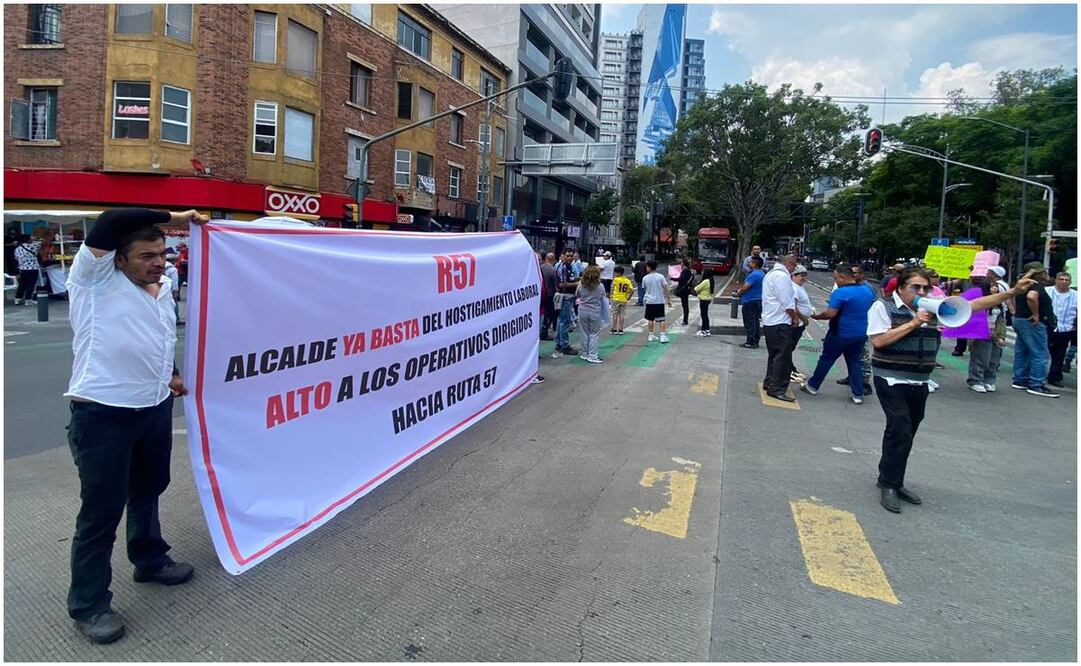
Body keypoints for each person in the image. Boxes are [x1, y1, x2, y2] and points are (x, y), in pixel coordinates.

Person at [63, 207, 207, 644]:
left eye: (162, 253)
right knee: (101, 512)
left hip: (154, 407)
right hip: (103, 413)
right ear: (118, 260)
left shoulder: (161, 289)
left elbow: (158, 339)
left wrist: (173, 374)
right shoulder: (92, 281)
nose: (158, 262)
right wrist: (176, 214)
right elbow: (109, 222)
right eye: (146, 255)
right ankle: (89, 605)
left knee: (148, 489)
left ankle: (149, 559)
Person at [868, 267, 1033, 512]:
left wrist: (1013, 293)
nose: (922, 292)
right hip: (890, 378)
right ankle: (889, 485)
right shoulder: (883, 307)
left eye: (925, 287)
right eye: (915, 287)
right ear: (900, 288)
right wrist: (914, 323)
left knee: (907, 432)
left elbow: (975, 304)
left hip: (919, 380)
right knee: (900, 428)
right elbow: (879, 340)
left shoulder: (933, 308)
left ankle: (893, 479)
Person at [801, 265, 875, 404]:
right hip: (860, 333)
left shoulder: (840, 293)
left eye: (836, 279)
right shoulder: (867, 291)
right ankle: (857, 394)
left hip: (840, 333)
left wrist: (816, 316)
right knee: (855, 362)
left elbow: (830, 313)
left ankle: (813, 386)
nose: (835, 282)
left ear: (843, 277)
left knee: (826, 359)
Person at [1011, 262, 1058, 397]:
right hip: (1031, 321)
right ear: (1039, 273)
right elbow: (1031, 297)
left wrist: (1015, 311)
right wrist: (1036, 314)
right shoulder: (1035, 285)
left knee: (1023, 351)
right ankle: (1036, 384)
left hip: (1020, 318)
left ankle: (1020, 379)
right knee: (1040, 353)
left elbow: (1014, 296)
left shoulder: (1022, 284)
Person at [761, 255, 800, 402]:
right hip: (780, 321)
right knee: (783, 356)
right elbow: (787, 302)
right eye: (794, 266)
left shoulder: (770, 274)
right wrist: (795, 317)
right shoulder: (782, 277)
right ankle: (776, 388)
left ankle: (770, 382)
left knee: (775, 354)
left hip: (770, 320)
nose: (794, 270)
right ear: (788, 263)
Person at [965, 281, 1003, 393]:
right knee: (981, 358)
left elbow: (1001, 320)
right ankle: (975, 380)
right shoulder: (979, 302)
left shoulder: (999, 302)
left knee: (994, 359)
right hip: (981, 333)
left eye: (996, 286)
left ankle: (989, 380)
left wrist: (1000, 335)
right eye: (992, 285)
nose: (994, 288)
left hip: (995, 333)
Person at [1045, 271, 1077, 388]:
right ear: (1056, 280)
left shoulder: (1076, 295)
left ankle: (1054, 376)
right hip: (1048, 326)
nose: (1064, 282)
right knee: (1042, 352)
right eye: (1061, 279)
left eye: (1066, 280)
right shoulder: (1047, 291)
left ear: (1070, 282)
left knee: (1059, 354)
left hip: (1066, 328)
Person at [575, 265, 606, 363]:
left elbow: (577, 294)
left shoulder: (581, 284)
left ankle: (585, 353)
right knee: (594, 334)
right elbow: (603, 296)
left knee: (584, 333)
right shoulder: (600, 286)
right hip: (595, 311)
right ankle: (592, 355)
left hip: (582, 310)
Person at [553, 249, 580, 357]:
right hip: (565, 296)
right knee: (565, 322)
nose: (570, 258)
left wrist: (579, 279)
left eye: (571, 256)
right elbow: (562, 284)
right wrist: (578, 283)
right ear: (562, 256)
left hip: (567, 296)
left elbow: (572, 278)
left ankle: (559, 343)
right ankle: (564, 345)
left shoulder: (568, 266)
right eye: (568, 256)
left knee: (561, 321)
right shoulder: (562, 267)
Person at [789, 265, 813, 381]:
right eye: (801, 276)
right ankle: (788, 370)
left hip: (800, 324)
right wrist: (803, 318)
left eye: (805, 276)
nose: (804, 278)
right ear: (793, 275)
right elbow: (793, 306)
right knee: (788, 347)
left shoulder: (799, 287)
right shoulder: (793, 288)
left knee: (790, 347)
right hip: (796, 323)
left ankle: (791, 368)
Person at [736, 256, 765, 348]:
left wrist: (739, 292)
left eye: (751, 262)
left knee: (750, 321)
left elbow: (746, 287)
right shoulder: (762, 273)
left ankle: (750, 341)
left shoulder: (753, 275)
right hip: (759, 300)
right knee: (756, 321)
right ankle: (756, 340)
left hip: (750, 301)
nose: (749, 263)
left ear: (755, 264)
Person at [641, 260, 671, 343]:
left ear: (649, 267)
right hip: (659, 301)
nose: (646, 268)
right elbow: (666, 288)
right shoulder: (660, 277)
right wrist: (668, 300)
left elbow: (644, 289)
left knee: (650, 319)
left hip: (650, 301)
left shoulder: (645, 278)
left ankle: (651, 335)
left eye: (647, 266)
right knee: (661, 319)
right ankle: (662, 336)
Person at [13, 234, 42, 305]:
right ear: (28, 239)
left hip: (22, 268)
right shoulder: (33, 246)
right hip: (33, 268)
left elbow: (16, 258)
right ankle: (28, 299)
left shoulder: (17, 249)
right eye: (30, 238)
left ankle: (18, 298)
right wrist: (35, 238)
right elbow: (42, 241)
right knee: (31, 284)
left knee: (22, 284)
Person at [609, 265, 634, 334]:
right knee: (622, 314)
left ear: (619, 273)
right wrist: (629, 297)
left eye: (616, 273)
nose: (615, 274)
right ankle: (621, 329)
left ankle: (614, 329)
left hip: (616, 298)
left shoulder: (615, 279)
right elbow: (632, 290)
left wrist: (610, 295)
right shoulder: (627, 280)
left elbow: (612, 288)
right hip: (623, 299)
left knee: (615, 314)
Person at [539, 252, 558, 340]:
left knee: (542, 314)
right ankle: (544, 332)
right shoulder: (553, 270)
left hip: (541, 294)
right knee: (549, 314)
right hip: (550, 294)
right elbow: (556, 285)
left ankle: (541, 331)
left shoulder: (540, 268)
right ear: (553, 259)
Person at [694, 268, 714, 337]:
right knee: (705, 315)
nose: (702, 272)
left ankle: (703, 330)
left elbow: (696, 289)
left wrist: (696, 284)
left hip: (703, 299)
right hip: (708, 299)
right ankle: (707, 330)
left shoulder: (705, 281)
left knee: (703, 315)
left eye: (703, 271)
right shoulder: (711, 280)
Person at [674, 258, 694, 326]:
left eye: (681, 263)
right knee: (685, 305)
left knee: (685, 305)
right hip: (686, 290)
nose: (680, 264)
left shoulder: (685, 271)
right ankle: (685, 320)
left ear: (683, 264)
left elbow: (681, 279)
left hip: (684, 290)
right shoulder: (689, 271)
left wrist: (672, 278)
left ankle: (685, 320)